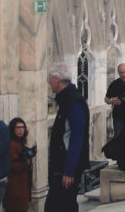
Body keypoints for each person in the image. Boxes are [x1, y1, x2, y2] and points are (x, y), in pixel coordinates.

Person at [46, 62, 90, 212]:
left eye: (50, 79)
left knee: (63, 205)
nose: (48, 83)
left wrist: (69, 170)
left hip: (65, 168)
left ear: (57, 79)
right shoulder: (66, 99)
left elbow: (77, 136)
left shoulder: (73, 101)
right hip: (60, 165)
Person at [5, 117, 33, 212]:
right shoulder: (11, 144)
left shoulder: (19, 142)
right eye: (18, 127)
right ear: (13, 129)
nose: (21, 130)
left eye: (23, 127)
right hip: (15, 186)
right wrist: (26, 163)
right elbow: (12, 165)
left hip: (22, 184)